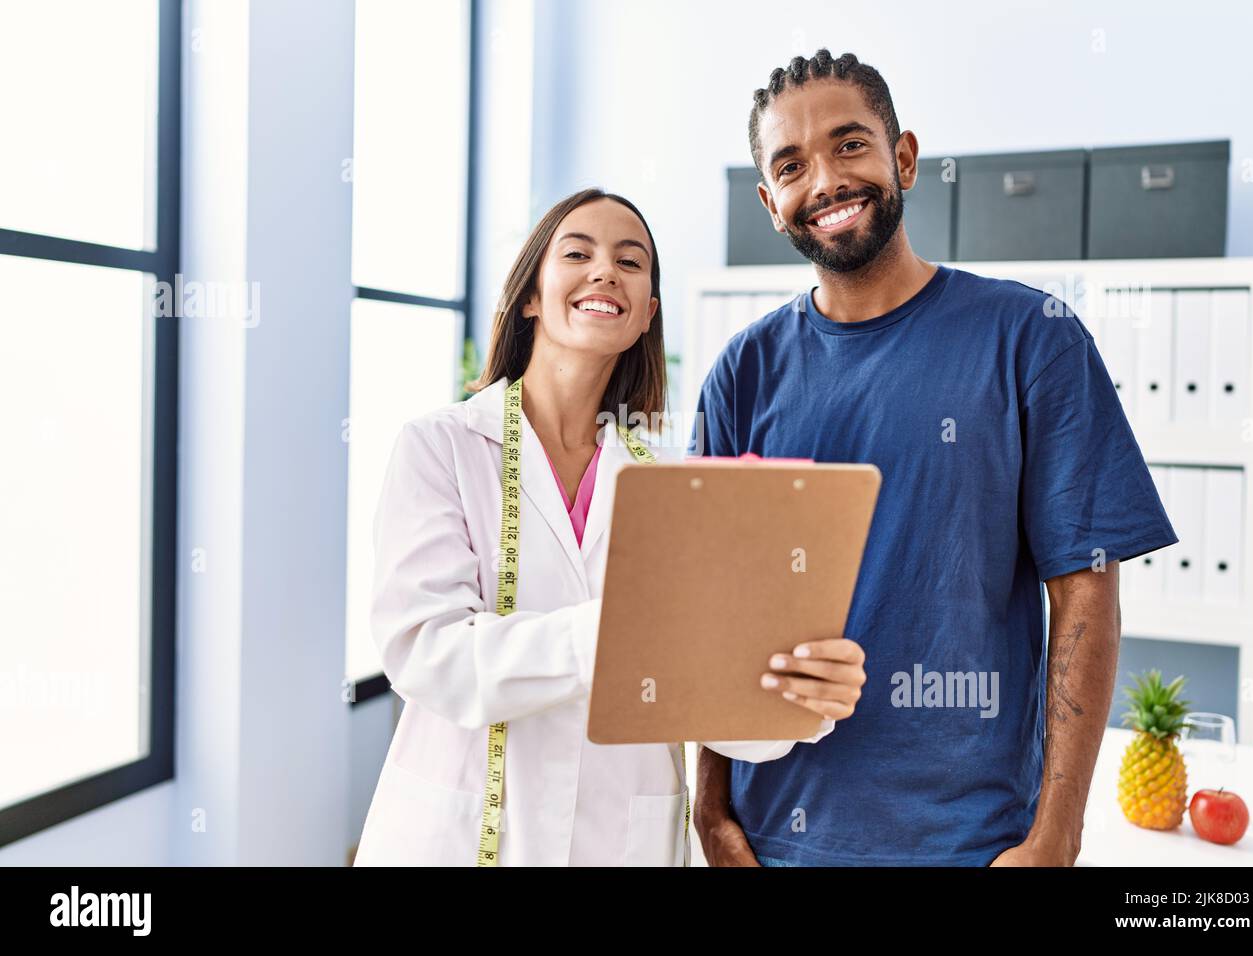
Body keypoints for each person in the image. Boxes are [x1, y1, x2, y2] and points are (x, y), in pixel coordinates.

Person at [691, 50, 1177, 867]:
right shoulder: (742, 373)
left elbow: (1086, 596)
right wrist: (711, 812)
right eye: (792, 165)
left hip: (972, 845)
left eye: (850, 145)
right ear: (772, 204)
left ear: (904, 157)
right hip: (774, 841)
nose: (827, 181)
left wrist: (1057, 835)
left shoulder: (1032, 339)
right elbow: (708, 616)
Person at [353, 187, 867, 866]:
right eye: (578, 253)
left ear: (645, 312)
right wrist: (616, 632)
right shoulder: (439, 446)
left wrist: (801, 700)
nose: (605, 272)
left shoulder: (676, 480)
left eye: (631, 262)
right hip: (459, 833)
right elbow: (426, 651)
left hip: (618, 840)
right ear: (531, 295)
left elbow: (711, 700)